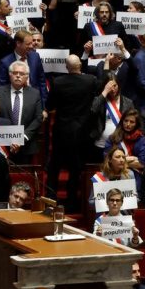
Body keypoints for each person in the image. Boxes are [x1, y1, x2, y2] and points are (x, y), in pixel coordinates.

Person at [46, 55, 98, 210]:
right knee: (76, 168)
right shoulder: (90, 81)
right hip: (82, 132)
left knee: (55, 166)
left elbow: (50, 105)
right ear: (80, 65)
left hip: (62, 130)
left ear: (66, 67)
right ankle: (73, 201)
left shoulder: (58, 82)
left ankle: (51, 198)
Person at [0, 60, 44, 164]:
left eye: (21, 74)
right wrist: (10, 140)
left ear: (27, 77)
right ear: (9, 75)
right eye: (15, 73)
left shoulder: (35, 94)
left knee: (23, 179)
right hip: (3, 144)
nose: (18, 76)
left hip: (26, 145)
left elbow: (38, 118)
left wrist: (22, 138)